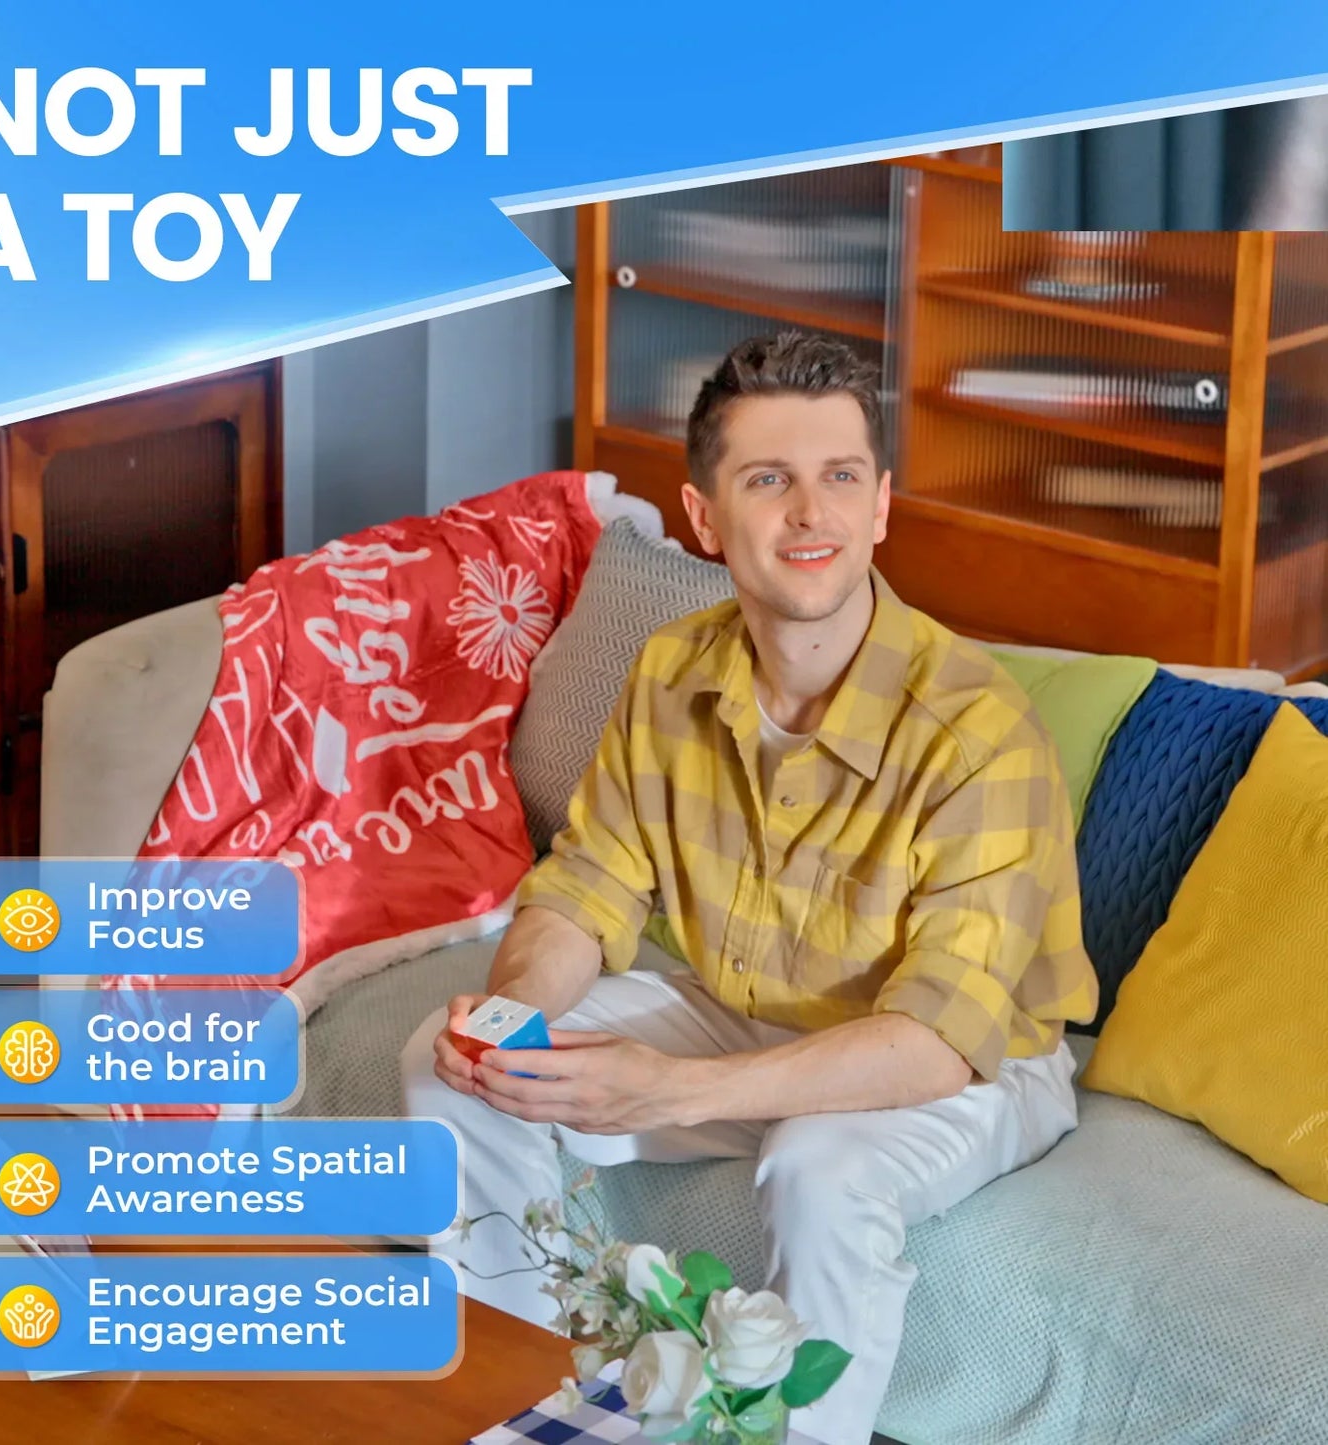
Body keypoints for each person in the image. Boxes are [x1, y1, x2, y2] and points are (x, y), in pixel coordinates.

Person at [400, 329, 1099, 1445]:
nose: (809, 514)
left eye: (840, 477)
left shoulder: (977, 727)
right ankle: (530, 1395)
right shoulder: (672, 670)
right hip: (751, 1009)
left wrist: (671, 1089)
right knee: (459, 1072)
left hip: (973, 1060)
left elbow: (934, 1038)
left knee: (816, 1162)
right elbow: (585, 886)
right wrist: (515, 1015)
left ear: (879, 506)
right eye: (767, 479)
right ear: (701, 516)